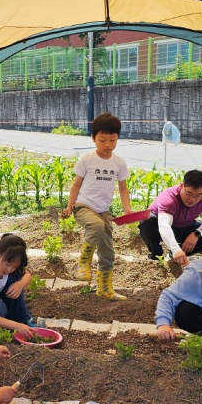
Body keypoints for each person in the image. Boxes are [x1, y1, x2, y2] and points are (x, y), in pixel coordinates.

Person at [60, 112, 133, 300]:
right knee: (96, 225)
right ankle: (83, 262)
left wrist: (127, 210)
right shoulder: (87, 159)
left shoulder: (119, 163)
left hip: (104, 212)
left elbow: (123, 189)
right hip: (83, 206)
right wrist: (69, 207)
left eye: (112, 140)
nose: (107, 145)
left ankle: (104, 288)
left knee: (108, 251)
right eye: (102, 140)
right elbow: (76, 185)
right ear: (93, 138)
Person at [139, 169, 202, 263]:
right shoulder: (168, 198)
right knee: (147, 224)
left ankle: (177, 255)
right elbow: (164, 225)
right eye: (189, 193)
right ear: (182, 186)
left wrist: (197, 233)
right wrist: (175, 248)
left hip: (184, 226)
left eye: (199, 195)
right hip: (158, 226)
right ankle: (156, 256)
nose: (192, 199)